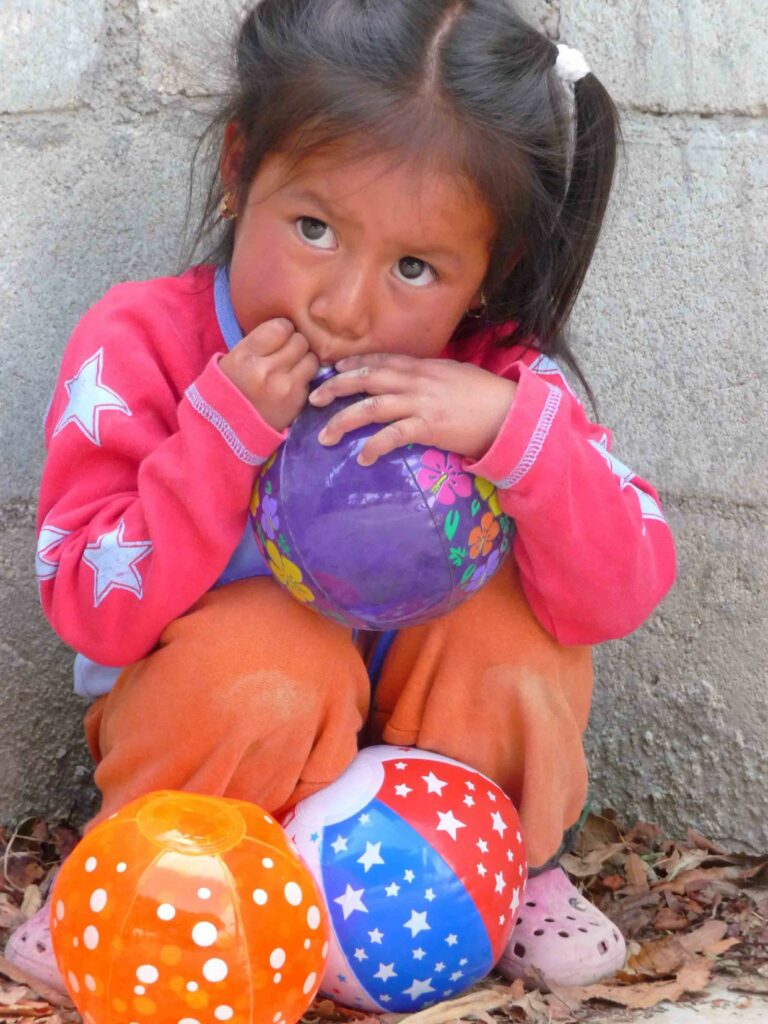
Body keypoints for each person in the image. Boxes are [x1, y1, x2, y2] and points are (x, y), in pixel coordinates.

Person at [6, 0, 675, 997]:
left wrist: (514, 436)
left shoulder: (495, 376)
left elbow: (617, 596)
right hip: (221, 772)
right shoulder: (141, 345)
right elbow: (89, 609)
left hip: (425, 825)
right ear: (240, 167)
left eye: (414, 267)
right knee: (272, 657)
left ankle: (506, 867)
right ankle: (134, 876)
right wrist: (221, 437)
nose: (345, 306)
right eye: (314, 228)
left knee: (515, 635)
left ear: (492, 270)